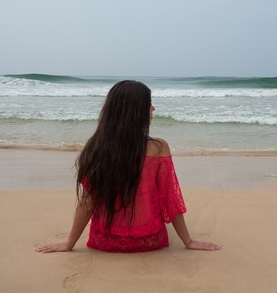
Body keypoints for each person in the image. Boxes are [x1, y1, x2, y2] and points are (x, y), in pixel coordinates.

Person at [36, 80, 221, 253]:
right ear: (137, 112)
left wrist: (69, 244)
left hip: (105, 242)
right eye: (150, 104)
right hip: (150, 242)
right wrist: (188, 241)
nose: (154, 109)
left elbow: (87, 202)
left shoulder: (96, 148)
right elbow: (169, 198)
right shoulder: (158, 148)